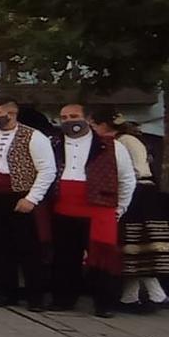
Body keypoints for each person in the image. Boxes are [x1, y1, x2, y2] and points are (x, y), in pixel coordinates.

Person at [49, 105, 136, 318]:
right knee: (65, 256)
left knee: (102, 257)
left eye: (74, 116)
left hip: (99, 208)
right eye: (64, 117)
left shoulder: (112, 146)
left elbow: (127, 179)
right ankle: (64, 298)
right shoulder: (56, 143)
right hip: (64, 207)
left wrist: (120, 207)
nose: (69, 121)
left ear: (87, 118)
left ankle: (104, 303)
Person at [99, 110, 169, 312]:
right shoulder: (127, 139)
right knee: (132, 248)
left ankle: (152, 295)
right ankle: (137, 296)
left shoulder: (125, 142)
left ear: (105, 125)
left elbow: (132, 170)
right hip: (141, 191)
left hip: (138, 192)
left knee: (137, 244)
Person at [0, 98, 55, 309]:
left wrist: (31, 198)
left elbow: (47, 170)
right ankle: (4, 293)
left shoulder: (34, 137)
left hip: (21, 195)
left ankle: (35, 296)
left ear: (11, 114)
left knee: (29, 248)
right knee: (0, 247)